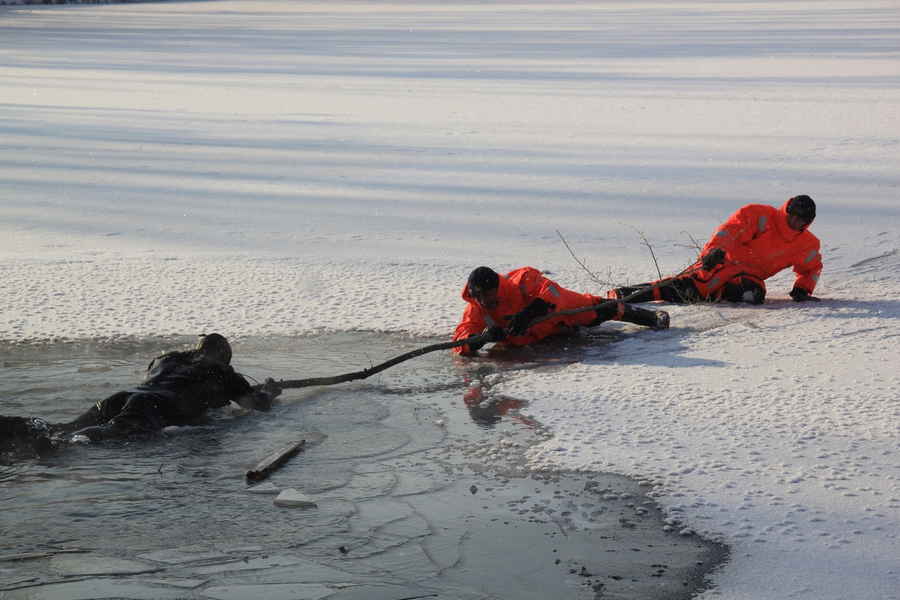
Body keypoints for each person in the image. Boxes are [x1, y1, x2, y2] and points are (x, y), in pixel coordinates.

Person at [1, 334, 278, 452]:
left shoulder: (167, 359)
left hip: (123, 396)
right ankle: (64, 447)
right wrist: (268, 391)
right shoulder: (223, 373)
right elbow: (255, 405)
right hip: (155, 405)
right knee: (110, 434)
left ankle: (18, 429)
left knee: (66, 425)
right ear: (222, 356)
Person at [607, 195, 822, 305]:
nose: (795, 221)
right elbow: (730, 231)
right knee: (691, 287)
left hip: (749, 278)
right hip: (720, 264)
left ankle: (715, 294)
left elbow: (812, 268)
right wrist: (714, 251)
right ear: (787, 210)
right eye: (793, 215)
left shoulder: (807, 244)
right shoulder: (760, 215)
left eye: (801, 219)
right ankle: (623, 296)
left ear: (807, 222)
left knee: (754, 295)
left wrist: (803, 289)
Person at [452, 266, 670, 356]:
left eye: (486, 295)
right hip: (534, 336)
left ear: (497, 288)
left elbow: (553, 293)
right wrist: (478, 340)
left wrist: (532, 310)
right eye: (478, 296)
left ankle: (651, 317)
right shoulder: (477, 308)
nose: (483, 300)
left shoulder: (522, 280)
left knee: (600, 308)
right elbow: (461, 337)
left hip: (557, 315)